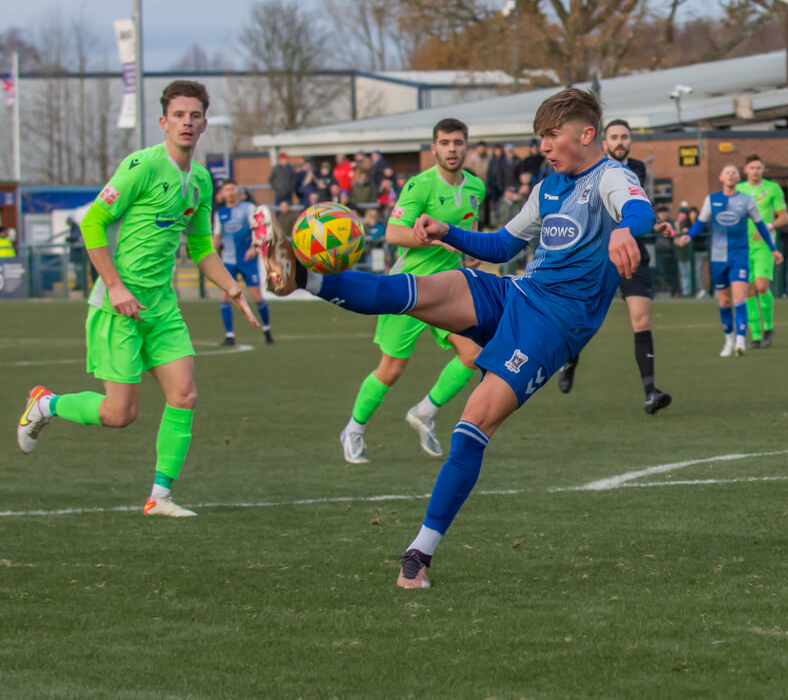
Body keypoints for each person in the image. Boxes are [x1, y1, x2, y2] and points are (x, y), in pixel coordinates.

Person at [254, 87, 655, 589]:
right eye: (541, 138)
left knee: (472, 423)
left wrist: (625, 231)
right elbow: (505, 244)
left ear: (586, 133)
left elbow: (638, 211)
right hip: (516, 293)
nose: (545, 147)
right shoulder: (549, 188)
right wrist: (447, 231)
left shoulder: (611, 178)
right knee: (414, 290)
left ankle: (418, 556)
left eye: (552, 136)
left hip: (554, 324)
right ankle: (304, 280)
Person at [17, 80, 259, 517]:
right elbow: (92, 222)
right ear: (164, 122)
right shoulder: (142, 166)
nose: (188, 122)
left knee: (184, 394)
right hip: (118, 306)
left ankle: (160, 497)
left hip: (161, 307)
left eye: (195, 116)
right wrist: (114, 285)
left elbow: (201, 248)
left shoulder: (201, 180)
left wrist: (232, 286)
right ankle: (45, 404)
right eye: (179, 115)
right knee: (118, 414)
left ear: (204, 124)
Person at [336, 118, 487, 465]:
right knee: (391, 369)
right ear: (433, 148)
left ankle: (425, 412)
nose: (452, 149)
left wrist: (474, 251)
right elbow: (393, 233)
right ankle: (354, 430)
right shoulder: (420, 186)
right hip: (409, 289)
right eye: (445, 143)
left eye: (458, 142)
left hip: (449, 290)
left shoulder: (476, 186)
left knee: (474, 353)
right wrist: (441, 237)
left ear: (467, 146)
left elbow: (472, 226)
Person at [557, 119, 673, 414]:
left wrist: (658, 225)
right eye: (614, 137)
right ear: (604, 142)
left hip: (631, 251)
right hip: (596, 255)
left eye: (625, 137)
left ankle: (650, 392)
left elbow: (636, 208)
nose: (620, 141)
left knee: (641, 319)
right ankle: (570, 359)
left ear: (630, 141)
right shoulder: (588, 170)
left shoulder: (637, 169)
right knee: (582, 318)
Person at [675, 164, 782, 356]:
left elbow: (761, 226)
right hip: (718, 257)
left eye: (734, 172)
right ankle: (729, 341)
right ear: (721, 178)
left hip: (739, 255)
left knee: (740, 297)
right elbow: (700, 222)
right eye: (727, 172)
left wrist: (773, 249)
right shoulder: (712, 200)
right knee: (724, 301)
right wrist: (688, 236)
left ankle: (741, 341)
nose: (731, 175)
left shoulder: (747, 201)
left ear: (738, 177)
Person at [736, 155, 788, 348]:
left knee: (761, 287)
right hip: (742, 246)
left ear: (763, 169)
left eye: (759, 167)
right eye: (752, 168)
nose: (755, 171)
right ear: (745, 170)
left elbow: (784, 217)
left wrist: (768, 226)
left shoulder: (773, 188)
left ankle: (768, 326)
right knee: (747, 291)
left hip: (764, 246)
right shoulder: (739, 189)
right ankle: (756, 336)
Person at [213, 178, 274, 346]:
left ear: (238, 191)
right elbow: (217, 237)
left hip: (247, 260)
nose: (230, 192)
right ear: (223, 193)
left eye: (232, 188)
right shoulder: (220, 214)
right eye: (227, 189)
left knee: (257, 298)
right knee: (225, 298)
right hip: (228, 262)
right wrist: (211, 256)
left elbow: (259, 229)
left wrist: (254, 248)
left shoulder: (248, 208)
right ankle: (229, 335)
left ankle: (267, 329)